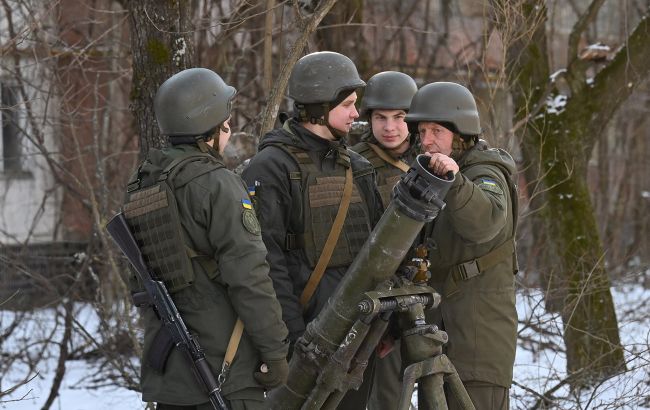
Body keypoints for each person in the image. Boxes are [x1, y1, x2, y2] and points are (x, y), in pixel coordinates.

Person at [123, 68, 289, 410]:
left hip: (169, 376)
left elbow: (138, 282)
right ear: (213, 126)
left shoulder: (143, 185)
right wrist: (275, 353)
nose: (229, 128)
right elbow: (250, 277)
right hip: (224, 375)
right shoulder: (217, 184)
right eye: (225, 121)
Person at [242, 51, 383, 408]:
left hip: (359, 340)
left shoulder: (359, 167)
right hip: (303, 347)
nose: (356, 113)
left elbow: (377, 250)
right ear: (321, 106)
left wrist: (384, 326)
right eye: (348, 104)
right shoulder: (270, 168)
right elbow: (264, 263)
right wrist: (294, 341)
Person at [405, 81, 518, 410]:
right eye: (423, 130)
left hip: (478, 346)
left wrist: (456, 183)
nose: (426, 140)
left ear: (462, 131)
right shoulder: (439, 176)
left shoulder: (485, 174)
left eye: (437, 130)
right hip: (442, 338)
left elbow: (485, 222)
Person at [350, 70, 418, 410]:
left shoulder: (430, 157)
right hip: (377, 296)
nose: (390, 127)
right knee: (382, 394)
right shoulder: (354, 162)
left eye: (399, 117)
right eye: (381, 118)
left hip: (426, 296)